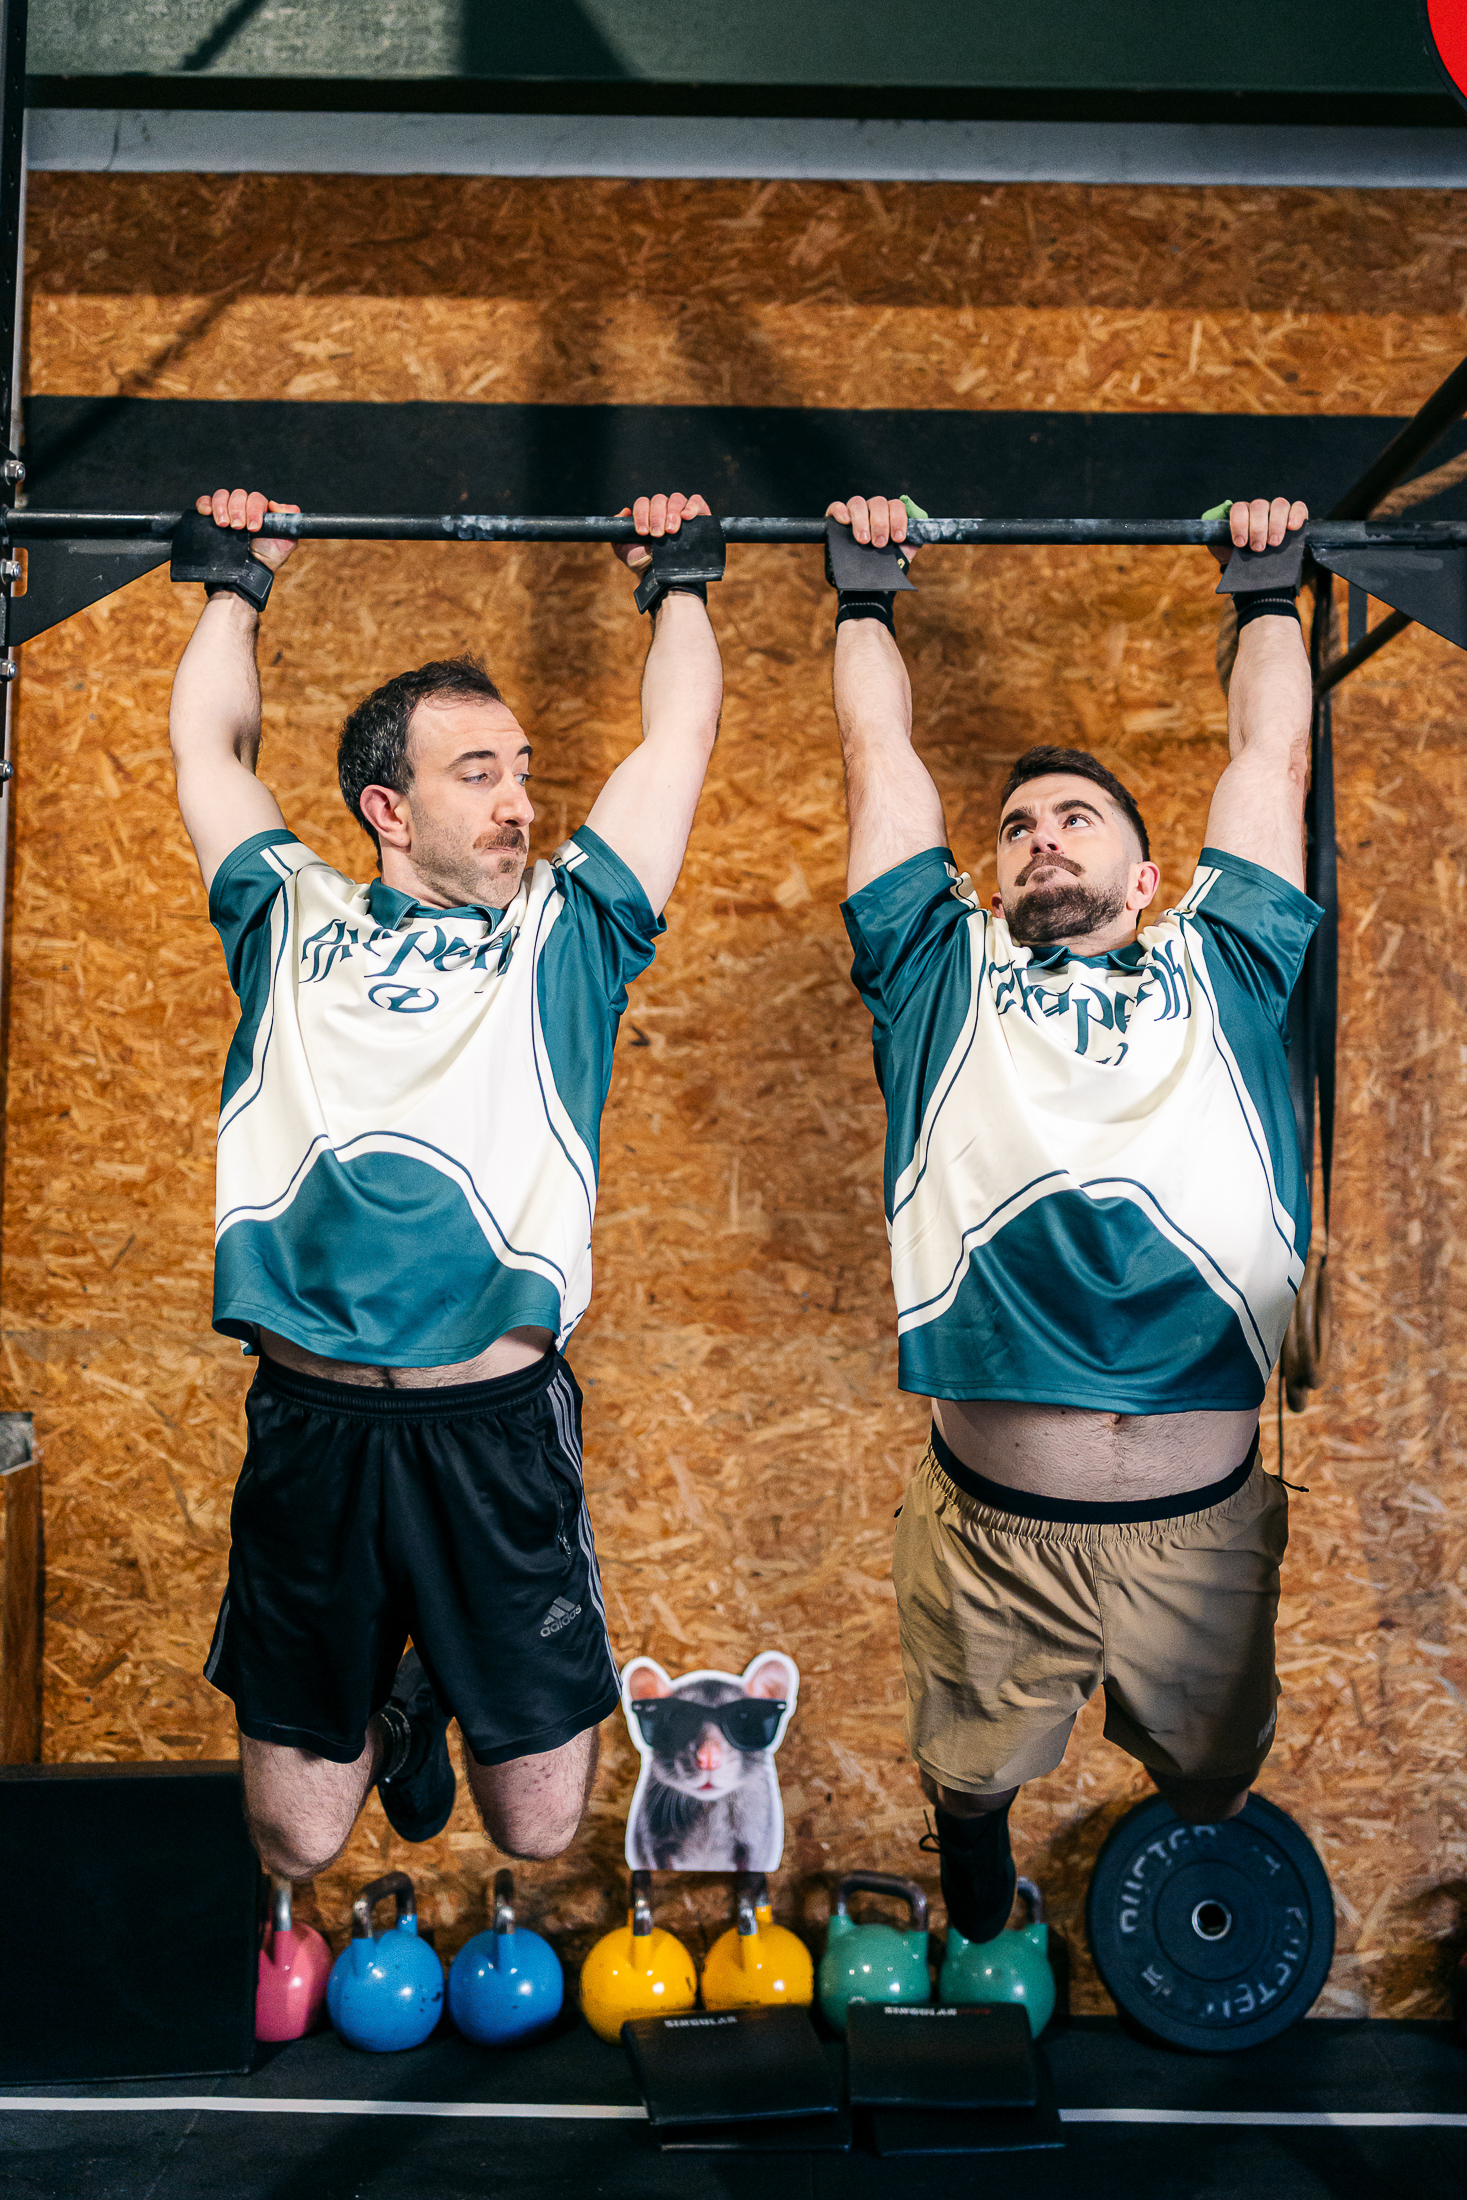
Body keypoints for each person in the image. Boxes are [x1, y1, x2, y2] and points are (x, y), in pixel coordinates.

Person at [172, 485, 723, 1879]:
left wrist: (678, 577)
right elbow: (208, 746)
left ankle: (422, 1686)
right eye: (477, 773)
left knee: (538, 1828)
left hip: (492, 1431)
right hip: (316, 1430)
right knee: (297, 1843)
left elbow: (677, 741)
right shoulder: (287, 912)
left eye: (521, 771)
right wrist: (238, 577)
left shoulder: (570, 930)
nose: (518, 802)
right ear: (387, 806)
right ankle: (398, 1701)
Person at [827, 489, 1319, 1940]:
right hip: (995, 1533)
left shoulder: (1229, 963)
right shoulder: (939, 971)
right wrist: (864, 588)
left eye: (1076, 819)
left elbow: (1271, 757)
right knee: (972, 1769)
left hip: (1200, 1532)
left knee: (1212, 1782)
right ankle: (974, 1827)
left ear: (1149, 878)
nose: (1042, 838)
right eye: (1019, 828)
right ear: (991, 877)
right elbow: (877, 759)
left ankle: (1137, 1807)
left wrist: (1268, 588)